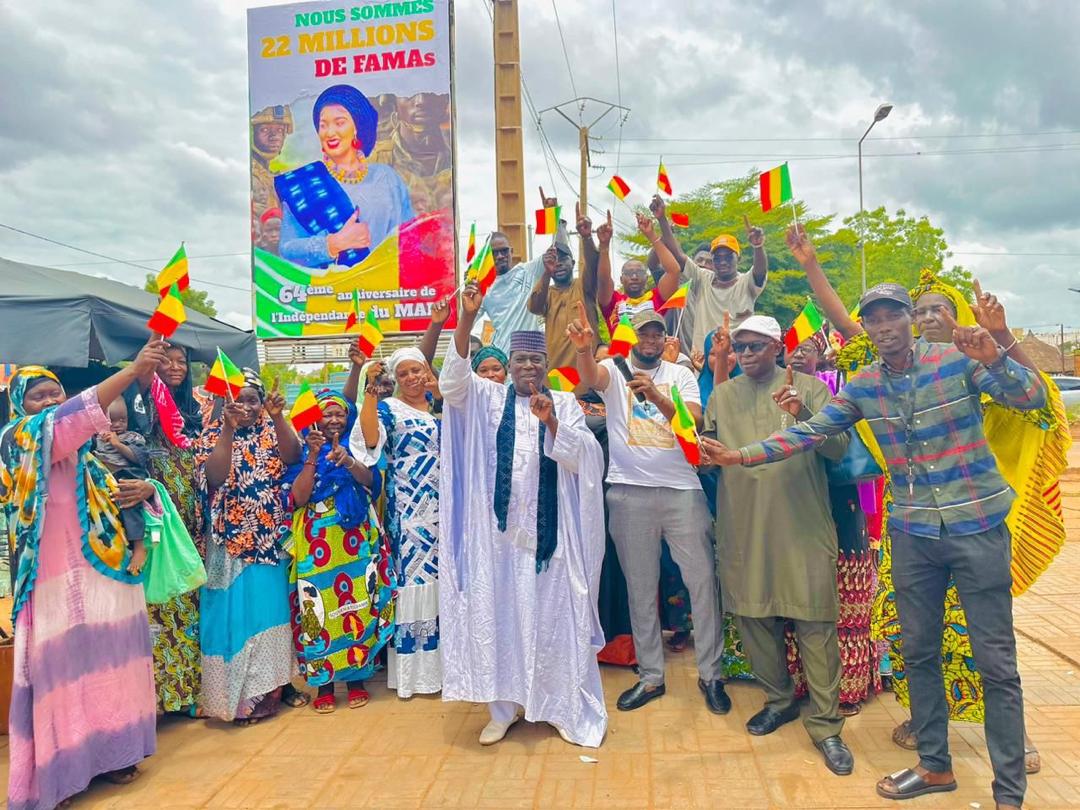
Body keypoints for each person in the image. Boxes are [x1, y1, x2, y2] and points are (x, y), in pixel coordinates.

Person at [701, 283, 1047, 810]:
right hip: (912, 534)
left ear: (909, 318)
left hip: (976, 526)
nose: (884, 326)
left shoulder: (958, 359)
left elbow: (1033, 399)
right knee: (918, 653)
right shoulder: (863, 385)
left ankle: (1009, 792)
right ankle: (935, 766)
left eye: (893, 316)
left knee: (996, 663)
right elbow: (811, 431)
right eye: (874, 319)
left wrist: (998, 351)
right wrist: (740, 457)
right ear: (866, 326)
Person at [790, 227, 1068, 776]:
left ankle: (1012, 740)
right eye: (921, 309)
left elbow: (1036, 401)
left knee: (984, 638)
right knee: (913, 635)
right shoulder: (886, 363)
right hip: (913, 520)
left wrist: (1002, 341)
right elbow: (852, 324)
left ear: (958, 315)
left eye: (939, 307)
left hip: (974, 516)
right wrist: (812, 264)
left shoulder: (973, 359)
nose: (928, 315)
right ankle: (928, 727)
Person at [438, 285, 608, 747]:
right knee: (501, 617)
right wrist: (465, 322)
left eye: (536, 362)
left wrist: (552, 421)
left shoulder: (567, 403)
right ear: (509, 367)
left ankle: (556, 704)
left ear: (546, 367)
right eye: (520, 363)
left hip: (551, 540)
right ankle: (504, 707)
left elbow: (588, 460)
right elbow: (450, 385)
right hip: (497, 541)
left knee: (556, 613)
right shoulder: (487, 399)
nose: (528, 368)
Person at [3, 342, 168, 809]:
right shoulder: (19, 439)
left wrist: (146, 490)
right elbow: (76, 415)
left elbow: (127, 496)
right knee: (59, 670)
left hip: (103, 577)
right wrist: (134, 370)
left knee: (109, 658)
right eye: (38, 395)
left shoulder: (87, 458)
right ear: (20, 404)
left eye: (56, 393)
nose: (50, 402)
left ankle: (113, 753)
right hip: (49, 582)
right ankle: (57, 773)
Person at [703, 315, 854, 775]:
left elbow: (840, 448)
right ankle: (779, 699)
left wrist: (803, 416)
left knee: (814, 622)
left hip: (802, 524)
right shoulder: (723, 394)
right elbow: (709, 449)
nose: (745, 355)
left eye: (755, 347)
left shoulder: (810, 388)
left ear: (776, 347)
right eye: (740, 348)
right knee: (752, 615)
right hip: (743, 523)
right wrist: (698, 452)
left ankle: (827, 728)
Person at [569, 304, 727, 714]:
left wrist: (656, 396)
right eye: (645, 333)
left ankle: (711, 675)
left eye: (658, 333)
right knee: (640, 589)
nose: (652, 339)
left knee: (702, 583)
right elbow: (589, 379)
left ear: (663, 338)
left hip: (681, 491)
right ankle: (652, 676)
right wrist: (585, 350)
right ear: (634, 335)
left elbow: (691, 421)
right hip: (628, 492)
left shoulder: (681, 375)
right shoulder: (613, 368)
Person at [194, 370, 301, 725]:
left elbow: (292, 456)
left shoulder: (273, 428)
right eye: (237, 399)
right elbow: (215, 477)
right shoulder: (211, 433)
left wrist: (278, 416)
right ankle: (236, 700)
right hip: (229, 542)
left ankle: (271, 693)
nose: (245, 406)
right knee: (234, 618)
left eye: (252, 399)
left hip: (269, 539)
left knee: (269, 615)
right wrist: (227, 428)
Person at [283, 388, 395, 714]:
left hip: (355, 538)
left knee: (356, 605)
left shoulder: (359, 446)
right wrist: (314, 456)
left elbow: (372, 486)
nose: (333, 420)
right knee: (317, 608)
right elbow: (299, 497)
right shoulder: (303, 451)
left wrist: (347, 461)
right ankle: (325, 686)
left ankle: (357, 680)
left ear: (349, 418)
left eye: (339, 414)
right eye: (326, 413)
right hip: (316, 541)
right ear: (315, 418)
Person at [785, 332, 879, 715]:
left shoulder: (839, 385)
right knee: (804, 603)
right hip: (800, 500)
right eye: (792, 348)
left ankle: (847, 690)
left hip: (841, 495)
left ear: (821, 355)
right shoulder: (777, 388)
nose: (797, 354)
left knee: (845, 599)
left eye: (806, 349)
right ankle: (805, 683)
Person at [350, 347, 442, 698]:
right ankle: (414, 674)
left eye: (417, 370)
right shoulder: (389, 409)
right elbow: (369, 442)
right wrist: (371, 394)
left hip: (444, 510)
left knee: (441, 583)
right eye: (403, 374)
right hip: (410, 511)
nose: (411, 378)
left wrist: (440, 391)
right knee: (414, 582)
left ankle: (444, 669)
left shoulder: (438, 406)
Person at [276, 84, 416, 269]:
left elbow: (410, 240)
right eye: (323, 125)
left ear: (357, 127)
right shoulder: (303, 183)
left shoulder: (387, 178)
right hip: (330, 293)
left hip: (387, 292)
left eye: (339, 122)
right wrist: (333, 244)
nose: (330, 132)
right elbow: (287, 249)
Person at [648, 195, 768, 351]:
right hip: (703, 362)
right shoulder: (703, 278)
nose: (722, 261)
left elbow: (760, 271)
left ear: (738, 258)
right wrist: (662, 219)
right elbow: (678, 254)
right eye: (717, 257)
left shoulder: (747, 283)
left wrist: (758, 247)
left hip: (738, 361)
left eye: (728, 257)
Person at [528, 220, 600, 395]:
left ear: (573, 263)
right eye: (554, 260)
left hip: (587, 383)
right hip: (555, 381)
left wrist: (587, 238)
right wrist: (546, 272)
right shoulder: (548, 292)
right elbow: (534, 306)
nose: (558, 263)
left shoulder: (584, 286)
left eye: (563, 259)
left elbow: (593, 265)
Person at [596, 210, 683, 334]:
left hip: (653, 352)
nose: (635, 277)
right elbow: (604, 280)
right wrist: (604, 246)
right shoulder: (613, 300)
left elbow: (674, 271)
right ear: (621, 279)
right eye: (629, 273)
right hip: (622, 353)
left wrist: (652, 235)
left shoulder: (657, 298)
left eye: (640, 273)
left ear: (646, 278)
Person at [95, 398, 151, 576]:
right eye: (112, 420)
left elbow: (138, 458)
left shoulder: (132, 437)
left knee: (130, 506)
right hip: (102, 480)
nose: (118, 425)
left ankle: (139, 546)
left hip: (127, 477)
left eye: (123, 420)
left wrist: (117, 444)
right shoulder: (96, 438)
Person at [477, 230, 546, 356]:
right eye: (494, 253)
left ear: (511, 251)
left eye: (504, 250)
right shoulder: (483, 287)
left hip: (533, 355)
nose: (500, 256)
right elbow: (466, 323)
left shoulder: (528, 271)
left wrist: (560, 224)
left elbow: (555, 253)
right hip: (503, 359)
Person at [250, 104, 293, 223]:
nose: (274, 136)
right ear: (252, 133)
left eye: (279, 130)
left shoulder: (270, 175)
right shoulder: (252, 175)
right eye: (264, 129)